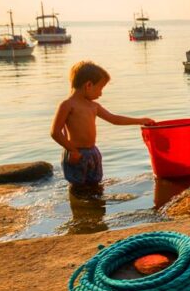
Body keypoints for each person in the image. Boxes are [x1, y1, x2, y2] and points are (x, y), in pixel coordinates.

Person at [50, 61, 154, 193]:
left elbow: (114, 119)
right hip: (76, 153)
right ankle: (80, 212)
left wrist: (140, 120)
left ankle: (97, 211)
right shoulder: (67, 105)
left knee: (96, 186)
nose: (101, 94)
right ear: (88, 85)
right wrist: (72, 150)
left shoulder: (94, 106)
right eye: (100, 88)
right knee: (78, 189)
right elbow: (55, 132)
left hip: (93, 152)